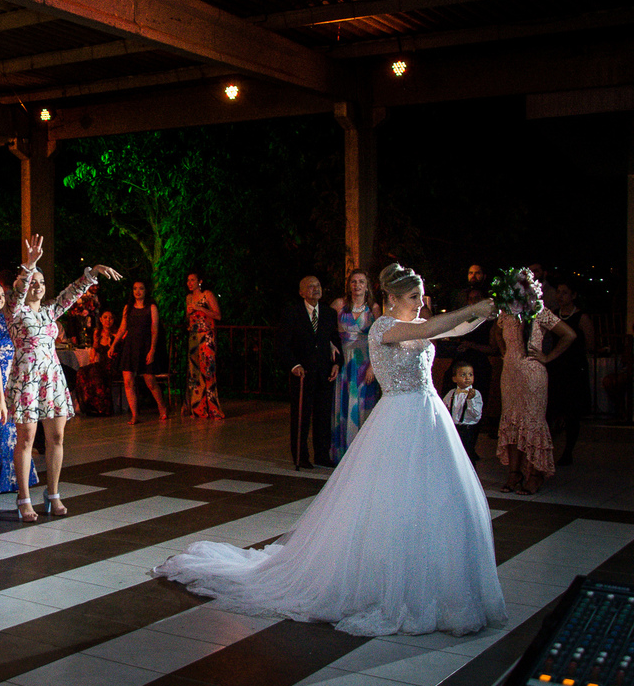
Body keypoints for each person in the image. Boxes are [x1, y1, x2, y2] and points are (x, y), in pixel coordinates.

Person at [154, 263, 506, 636]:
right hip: (400, 417)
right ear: (392, 298)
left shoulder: (417, 323)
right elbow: (437, 326)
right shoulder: (384, 327)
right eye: (414, 298)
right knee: (390, 500)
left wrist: (489, 310)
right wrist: (472, 308)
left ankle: (435, 583)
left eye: (421, 297)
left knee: (436, 500)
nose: (421, 304)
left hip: (429, 416)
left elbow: (450, 327)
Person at [7, 234, 122, 521]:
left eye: (41, 283)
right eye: (33, 282)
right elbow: (20, 290)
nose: (36, 286)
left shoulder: (49, 312)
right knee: (26, 439)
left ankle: (53, 494)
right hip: (26, 379)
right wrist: (30, 266)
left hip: (52, 378)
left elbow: (69, 296)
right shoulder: (15, 311)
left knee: (56, 436)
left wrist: (92, 273)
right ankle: (24, 498)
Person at [495, 300, 576, 494]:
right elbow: (497, 332)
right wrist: (504, 352)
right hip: (510, 373)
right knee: (512, 421)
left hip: (532, 373)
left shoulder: (540, 312)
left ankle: (535, 475)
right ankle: (514, 473)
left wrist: (548, 356)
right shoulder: (506, 313)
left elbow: (569, 335)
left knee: (532, 421)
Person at [277, 275, 342, 469]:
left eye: (318, 285)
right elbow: (282, 344)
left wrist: (337, 363)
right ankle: (300, 455)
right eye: (310, 286)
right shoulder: (292, 313)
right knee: (301, 416)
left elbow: (335, 341)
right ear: (301, 292)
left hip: (324, 373)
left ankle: (322, 454)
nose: (315, 289)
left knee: (323, 416)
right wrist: (294, 365)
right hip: (302, 373)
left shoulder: (329, 313)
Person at [0, 280, 36, 495]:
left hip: (12, 381)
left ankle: (15, 479)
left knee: (13, 430)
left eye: (2, 295)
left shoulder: (8, 320)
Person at [329, 268, 380, 462]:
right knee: (342, 403)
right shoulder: (339, 305)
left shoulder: (374, 308)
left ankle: (362, 455)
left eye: (361, 282)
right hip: (344, 360)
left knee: (363, 405)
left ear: (367, 286)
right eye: (353, 281)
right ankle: (343, 453)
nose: (357, 285)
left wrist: (373, 366)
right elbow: (323, 328)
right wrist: (330, 345)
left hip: (364, 360)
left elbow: (378, 338)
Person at [111, 279, 169, 425]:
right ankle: (135, 414)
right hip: (130, 347)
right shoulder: (128, 308)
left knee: (150, 380)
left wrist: (152, 350)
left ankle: (162, 408)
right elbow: (122, 328)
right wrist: (113, 345)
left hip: (145, 345)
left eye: (141, 288)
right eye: (135, 288)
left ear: (145, 290)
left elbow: (155, 329)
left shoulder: (151, 307)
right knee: (128, 381)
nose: (137, 291)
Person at [549, 281, 593, 466]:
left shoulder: (581, 317)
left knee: (572, 412)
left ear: (573, 295)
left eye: (565, 293)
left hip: (574, 368)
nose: (560, 296)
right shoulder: (552, 315)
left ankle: (568, 451)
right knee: (552, 409)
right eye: (558, 292)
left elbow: (591, 344)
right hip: (556, 366)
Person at [185, 271, 225, 419]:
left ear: (199, 281)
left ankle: (213, 408)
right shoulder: (189, 298)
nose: (190, 283)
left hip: (206, 336)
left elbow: (218, 315)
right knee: (194, 372)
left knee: (208, 370)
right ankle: (198, 408)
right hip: (194, 337)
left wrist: (201, 308)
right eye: (188, 280)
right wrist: (189, 313)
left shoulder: (207, 295)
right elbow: (188, 319)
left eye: (192, 280)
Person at [76, 310, 117, 416]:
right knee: (82, 371)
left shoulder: (117, 333)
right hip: (102, 364)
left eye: (110, 318)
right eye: (105, 317)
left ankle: (103, 407)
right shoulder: (97, 333)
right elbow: (95, 348)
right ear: (101, 319)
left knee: (95, 371)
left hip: (114, 365)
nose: (108, 320)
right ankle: (88, 404)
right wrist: (92, 354)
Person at [444, 360, 483, 460]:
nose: (467, 378)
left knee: (467, 454)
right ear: (454, 379)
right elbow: (443, 408)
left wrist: (470, 400)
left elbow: (476, 415)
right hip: (454, 428)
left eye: (470, 374)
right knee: (452, 452)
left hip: (467, 429)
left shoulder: (475, 394)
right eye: (463, 375)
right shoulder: (451, 393)